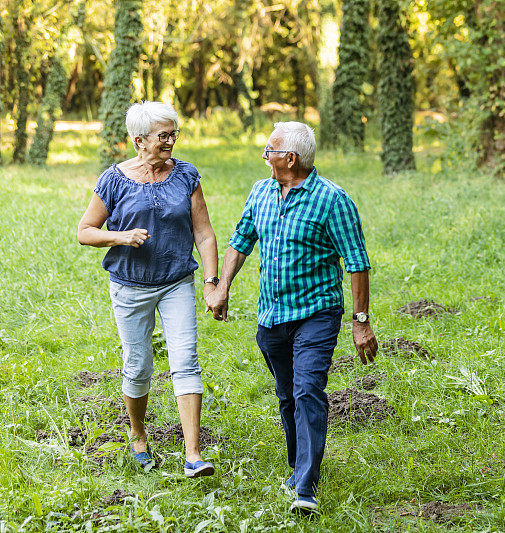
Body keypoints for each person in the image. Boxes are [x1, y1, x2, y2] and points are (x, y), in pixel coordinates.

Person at [206, 121, 378, 513]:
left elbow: (356, 262)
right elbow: (240, 241)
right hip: (271, 315)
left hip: (316, 312)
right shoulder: (261, 191)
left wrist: (360, 320)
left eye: (269, 149)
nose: (264, 156)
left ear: (290, 158)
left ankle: (305, 485)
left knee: (307, 391)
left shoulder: (333, 200)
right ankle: (297, 464)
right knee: (287, 395)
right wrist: (222, 287)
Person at [77, 101, 219, 478]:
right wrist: (120, 237)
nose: (171, 140)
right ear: (140, 141)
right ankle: (138, 435)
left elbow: (203, 233)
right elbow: (85, 231)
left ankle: (193, 454)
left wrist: (211, 281)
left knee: (185, 360)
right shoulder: (114, 179)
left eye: (174, 133)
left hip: (176, 282)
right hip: (130, 288)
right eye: (164, 135)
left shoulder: (187, 175)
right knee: (138, 366)